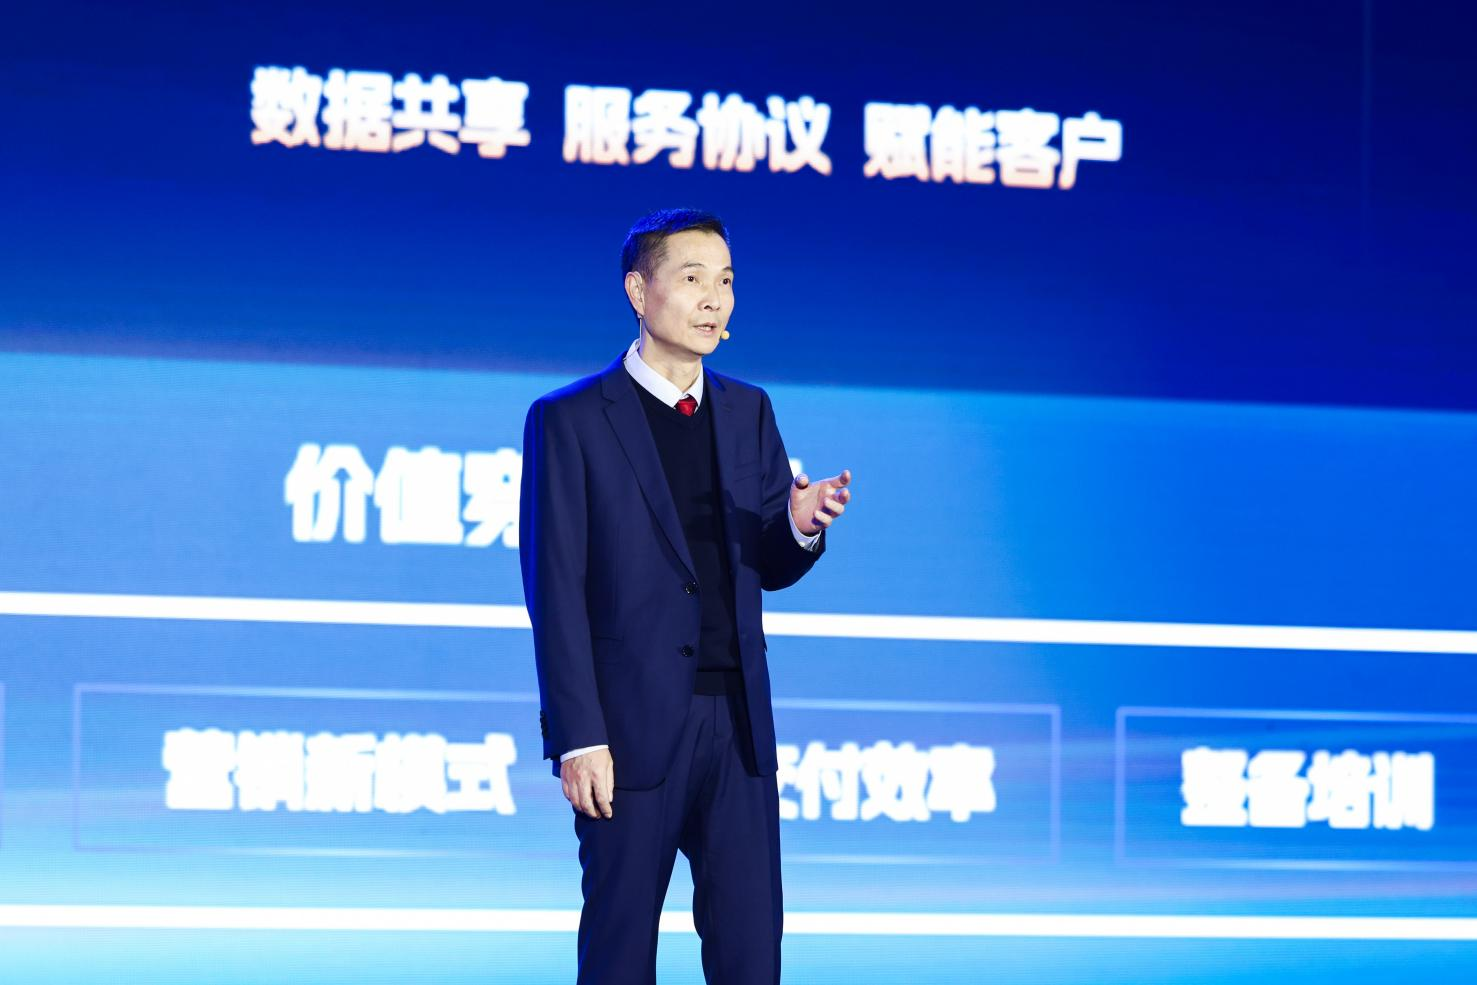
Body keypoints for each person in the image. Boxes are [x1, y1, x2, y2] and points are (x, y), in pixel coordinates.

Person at [518, 208, 853, 984]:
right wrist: (577, 736)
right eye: (693, 278)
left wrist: (798, 525)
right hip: (626, 732)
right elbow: (554, 588)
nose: (713, 299)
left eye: (726, 281)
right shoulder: (570, 419)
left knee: (750, 953)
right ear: (639, 292)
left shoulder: (748, 410)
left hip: (737, 728)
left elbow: (768, 563)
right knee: (619, 952)